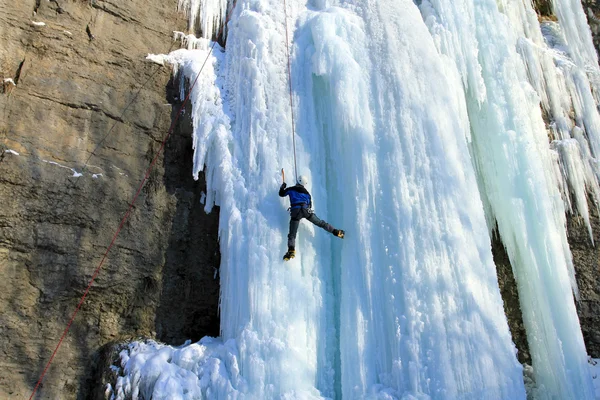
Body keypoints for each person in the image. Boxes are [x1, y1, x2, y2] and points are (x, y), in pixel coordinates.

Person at [279, 174, 344, 261]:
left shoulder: (291, 189)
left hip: (295, 211)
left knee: (292, 234)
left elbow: (281, 194)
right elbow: (310, 205)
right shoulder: (307, 194)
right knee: (321, 223)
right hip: (306, 211)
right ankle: (336, 232)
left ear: (297, 181)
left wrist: (282, 186)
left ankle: (291, 250)